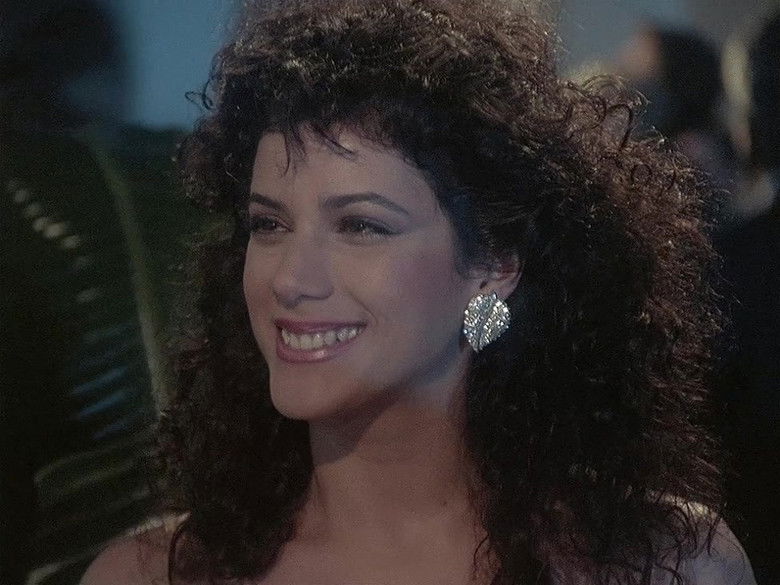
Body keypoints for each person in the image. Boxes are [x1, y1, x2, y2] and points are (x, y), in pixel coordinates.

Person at [81, 0, 757, 583]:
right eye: (269, 224)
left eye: (361, 226)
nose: (289, 278)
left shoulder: (668, 563)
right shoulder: (150, 574)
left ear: (494, 263)